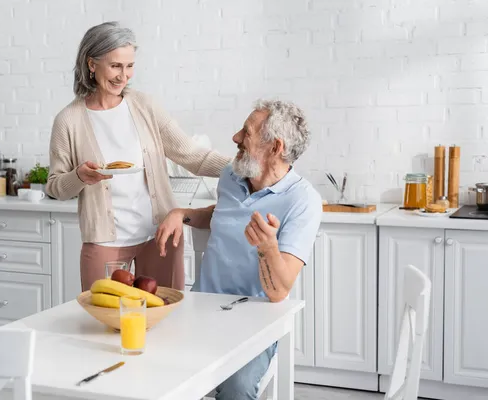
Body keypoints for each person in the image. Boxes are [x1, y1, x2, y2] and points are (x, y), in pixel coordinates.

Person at [155, 99, 322, 400]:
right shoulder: (231, 177)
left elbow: (278, 292)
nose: (235, 138)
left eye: (246, 133)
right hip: (201, 310)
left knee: (237, 388)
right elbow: (221, 214)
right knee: (152, 362)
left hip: (256, 322)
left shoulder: (303, 201)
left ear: (275, 147)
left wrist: (267, 247)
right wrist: (183, 213)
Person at [46, 22, 230, 292]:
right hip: (104, 242)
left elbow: (190, 155)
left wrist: (245, 168)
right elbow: (55, 187)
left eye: (129, 66)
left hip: (159, 236)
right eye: (115, 66)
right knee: (106, 324)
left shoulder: (145, 106)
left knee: (165, 316)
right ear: (92, 64)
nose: (124, 76)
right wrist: (79, 177)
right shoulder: (68, 120)